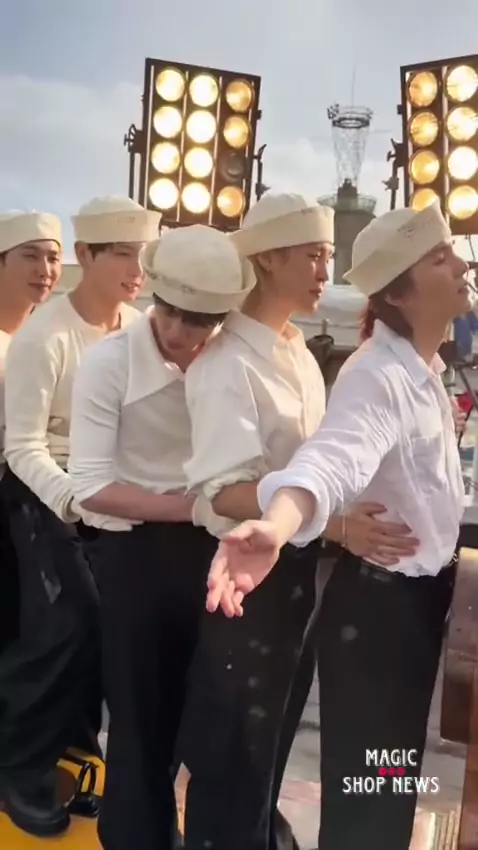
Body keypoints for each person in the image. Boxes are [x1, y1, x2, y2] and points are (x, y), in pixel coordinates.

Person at [206, 200, 467, 850]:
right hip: (381, 616)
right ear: (399, 293)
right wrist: (278, 523)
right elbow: (332, 459)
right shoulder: (378, 376)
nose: (462, 265)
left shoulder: (421, 369)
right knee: (369, 800)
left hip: (413, 606)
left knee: (388, 782)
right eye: (440, 258)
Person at [67, 224, 255, 850]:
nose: (177, 331)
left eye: (198, 320)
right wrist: (199, 508)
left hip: (222, 550)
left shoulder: (236, 361)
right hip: (137, 554)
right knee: (140, 722)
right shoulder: (109, 362)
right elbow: (91, 485)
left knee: (216, 718)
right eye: (169, 310)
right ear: (152, 292)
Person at [0, 196, 160, 837]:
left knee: (115, 631)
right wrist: (73, 498)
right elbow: (22, 445)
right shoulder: (46, 336)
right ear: (88, 256)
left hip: (115, 496)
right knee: (66, 624)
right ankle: (19, 765)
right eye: (122, 253)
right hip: (44, 494)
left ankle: (73, 750)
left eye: (143, 255)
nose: (136, 269)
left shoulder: (140, 330)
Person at [0, 210, 63, 654]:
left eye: (53, 258)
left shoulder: (52, 335)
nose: (44, 270)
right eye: (30, 256)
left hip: (33, 508)